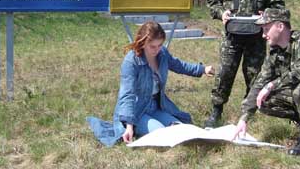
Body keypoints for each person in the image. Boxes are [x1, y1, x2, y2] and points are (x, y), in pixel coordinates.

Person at [232, 8, 300, 156]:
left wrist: (271, 85)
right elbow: (259, 82)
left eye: (266, 29)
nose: (263, 35)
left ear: (280, 26)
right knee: (263, 101)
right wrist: (244, 118)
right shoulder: (275, 51)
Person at [87, 21, 215, 146]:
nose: (157, 50)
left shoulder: (162, 54)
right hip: (137, 110)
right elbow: (127, 94)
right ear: (143, 43)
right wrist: (129, 125)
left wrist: (202, 69)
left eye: (160, 45)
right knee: (161, 133)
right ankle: (135, 126)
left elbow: (178, 65)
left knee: (179, 128)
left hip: (157, 105)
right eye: (152, 46)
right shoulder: (131, 61)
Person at [204, 0, 285, 127]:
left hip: (256, 38)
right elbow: (212, 2)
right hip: (232, 38)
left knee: (254, 75)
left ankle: (248, 113)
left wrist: (267, 14)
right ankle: (216, 111)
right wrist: (221, 13)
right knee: (225, 74)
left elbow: (279, 6)